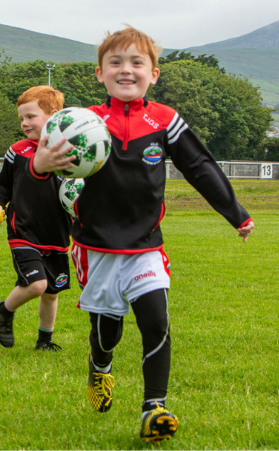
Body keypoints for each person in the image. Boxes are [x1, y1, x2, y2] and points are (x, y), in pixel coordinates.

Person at [32, 26, 255, 444]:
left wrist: (235, 213)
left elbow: (200, 166)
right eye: (116, 62)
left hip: (146, 246)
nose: (126, 70)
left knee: (156, 321)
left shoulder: (165, 120)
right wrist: (42, 163)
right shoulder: (83, 122)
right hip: (95, 247)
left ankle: (155, 407)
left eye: (137, 62)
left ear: (154, 73)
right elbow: (41, 170)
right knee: (108, 330)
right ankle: (100, 368)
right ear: (99, 73)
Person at [0, 86, 72, 352]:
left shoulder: (71, 153)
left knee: (51, 292)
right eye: (21, 119)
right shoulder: (18, 151)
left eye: (31, 117)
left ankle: (44, 341)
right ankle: (4, 310)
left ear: (53, 116)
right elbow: (3, 184)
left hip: (58, 235)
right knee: (37, 285)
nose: (24, 123)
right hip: (23, 231)